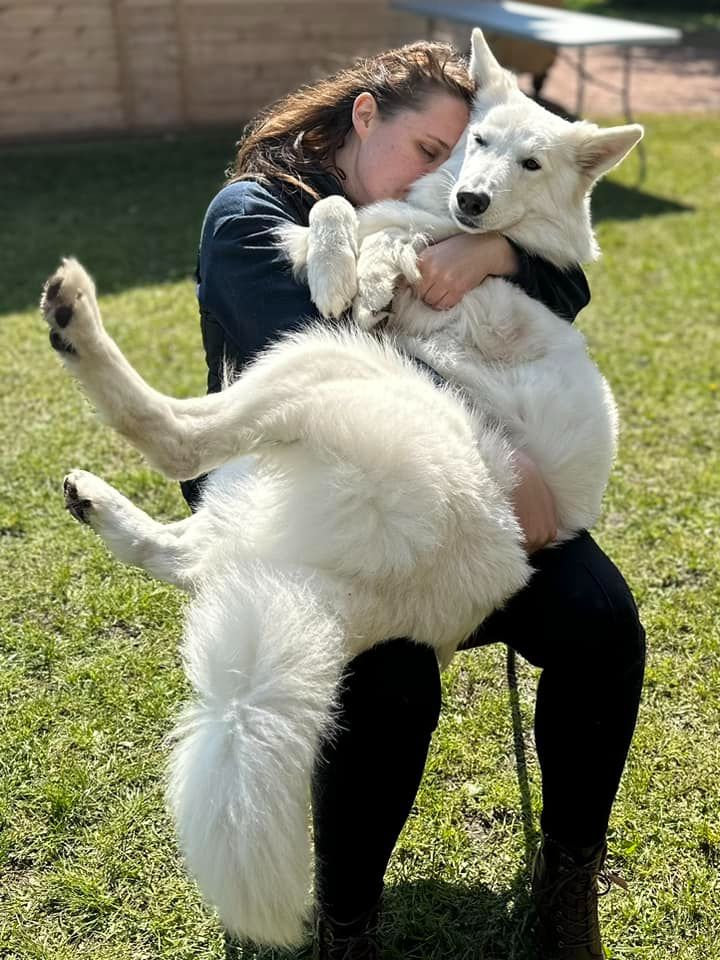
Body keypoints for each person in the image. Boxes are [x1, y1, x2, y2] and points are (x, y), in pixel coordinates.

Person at [180, 41, 646, 960]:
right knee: (390, 682)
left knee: (603, 623)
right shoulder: (251, 217)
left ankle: (568, 879)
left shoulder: (451, 212)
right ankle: (348, 923)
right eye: (435, 151)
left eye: (463, 149)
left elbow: (569, 276)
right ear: (364, 118)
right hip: (327, 498)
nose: (460, 176)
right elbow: (333, 380)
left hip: (455, 495)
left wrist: (498, 249)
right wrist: (504, 455)